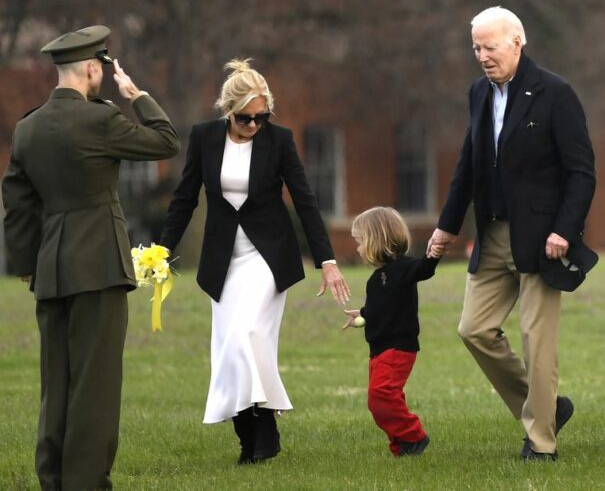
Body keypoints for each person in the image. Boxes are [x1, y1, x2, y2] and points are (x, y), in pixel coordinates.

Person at [1, 25, 180, 490]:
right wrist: (137, 96)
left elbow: (18, 203)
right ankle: (84, 482)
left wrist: (26, 264)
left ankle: (53, 477)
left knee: (55, 382)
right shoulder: (100, 120)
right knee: (95, 386)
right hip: (98, 265)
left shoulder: (27, 127)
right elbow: (166, 141)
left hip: (51, 269)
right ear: (91, 68)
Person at [159, 59, 350, 465]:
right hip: (222, 259)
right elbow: (184, 198)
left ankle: (266, 430)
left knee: (248, 334)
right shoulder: (205, 138)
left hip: (268, 256)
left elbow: (304, 198)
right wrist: (162, 249)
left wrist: (327, 260)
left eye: (262, 117)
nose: (254, 125)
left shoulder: (279, 141)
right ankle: (249, 437)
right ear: (228, 111)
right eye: (245, 118)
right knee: (232, 347)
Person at [427, 6, 596, 461]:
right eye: (476, 47)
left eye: (491, 46)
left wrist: (564, 229)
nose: (482, 56)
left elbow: (582, 172)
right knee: (474, 329)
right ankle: (549, 408)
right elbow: (468, 163)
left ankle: (541, 443)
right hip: (492, 234)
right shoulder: (478, 94)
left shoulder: (556, 93)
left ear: (517, 43)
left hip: (542, 239)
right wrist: (446, 225)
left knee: (535, 340)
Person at [341, 207, 442, 456]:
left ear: (377, 240)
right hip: (378, 350)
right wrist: (362, 314)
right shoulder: (375, 279)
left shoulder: (405, 268)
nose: (358, 248)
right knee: (381, 400)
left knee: (381, 395)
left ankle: (414, 435)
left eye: (360, 242)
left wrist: (435, 253)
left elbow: (425, 269)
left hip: (398, 347)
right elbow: (380, 307)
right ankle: (402, 444)